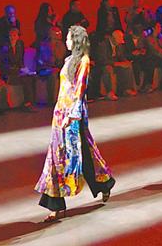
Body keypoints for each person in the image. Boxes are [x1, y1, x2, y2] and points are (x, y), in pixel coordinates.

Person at [36, 26, 115, 221]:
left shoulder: (83, 61)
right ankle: (55, 205)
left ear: (77, 40)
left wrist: (72, 115)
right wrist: (59, 112)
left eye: (69, 38)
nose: (66, 41)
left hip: (73, 116)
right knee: (56, 156)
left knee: (84, 152)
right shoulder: (68, 60)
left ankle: (104, 183)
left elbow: (79, 91)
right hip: (60, 113)